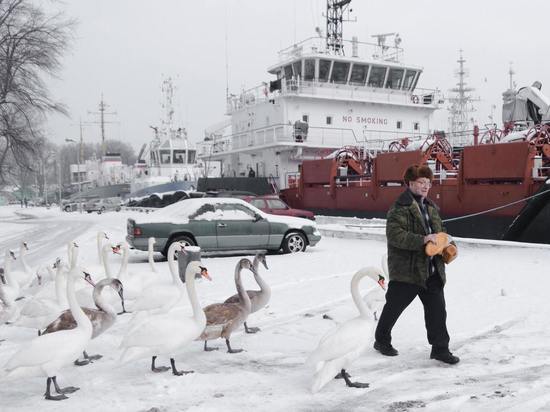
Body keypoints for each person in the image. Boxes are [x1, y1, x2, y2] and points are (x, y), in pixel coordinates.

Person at [374, 164, 459, 365]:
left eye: (428, 183)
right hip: (408, 272)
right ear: (410, 183)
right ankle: (381, 340)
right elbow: (395, 236)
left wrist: (448, 243)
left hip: (432, 270)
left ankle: (440, 349)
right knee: (393, 308)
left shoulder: (431, 207)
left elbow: (440, 231)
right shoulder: (399, 208)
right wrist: (422, 240)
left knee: (438, 312)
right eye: (421, 182)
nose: (425, 186)